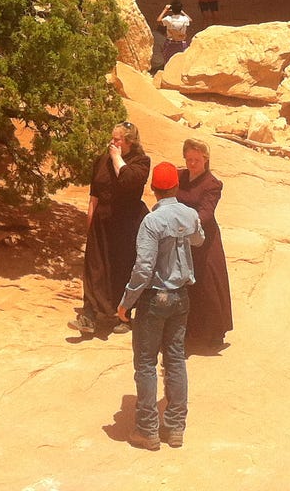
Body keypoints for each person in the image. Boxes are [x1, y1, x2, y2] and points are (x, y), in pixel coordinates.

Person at [118, 161, 205, 450]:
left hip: (154, 298)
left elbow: (144, 268)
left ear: (153, 189)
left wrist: (126, 302)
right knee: (175, 359)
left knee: (145, 363)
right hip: (181, 297)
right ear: (176, 187)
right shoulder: (190, 214)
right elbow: (198, 239)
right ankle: (175, 427)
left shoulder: (152, 222)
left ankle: (147, 429)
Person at [71, 121, 150, 337]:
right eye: (112, 138)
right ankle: (88, 315)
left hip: (125, 224)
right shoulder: (102, 159)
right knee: (94, 268)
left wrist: (117, 158)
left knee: (120, 269)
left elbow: (126, 181)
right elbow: (94, 193)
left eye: (117, 140)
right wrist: (89, 220)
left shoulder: (141, 162)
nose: (112, 143)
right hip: (101, 220)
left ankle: (122, 316)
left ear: (129, 142)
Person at [176, 138, 233, 350]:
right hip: (182, 239)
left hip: (205, 239)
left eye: (196, 160)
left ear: (205, 159)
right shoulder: (179, 177)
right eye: (189, 159)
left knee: (209, 284)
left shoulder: (212, 184)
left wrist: (185, 224)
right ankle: (189, 330)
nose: (192, 164)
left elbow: (206, 212)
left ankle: (215, 331)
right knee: (186, 285)